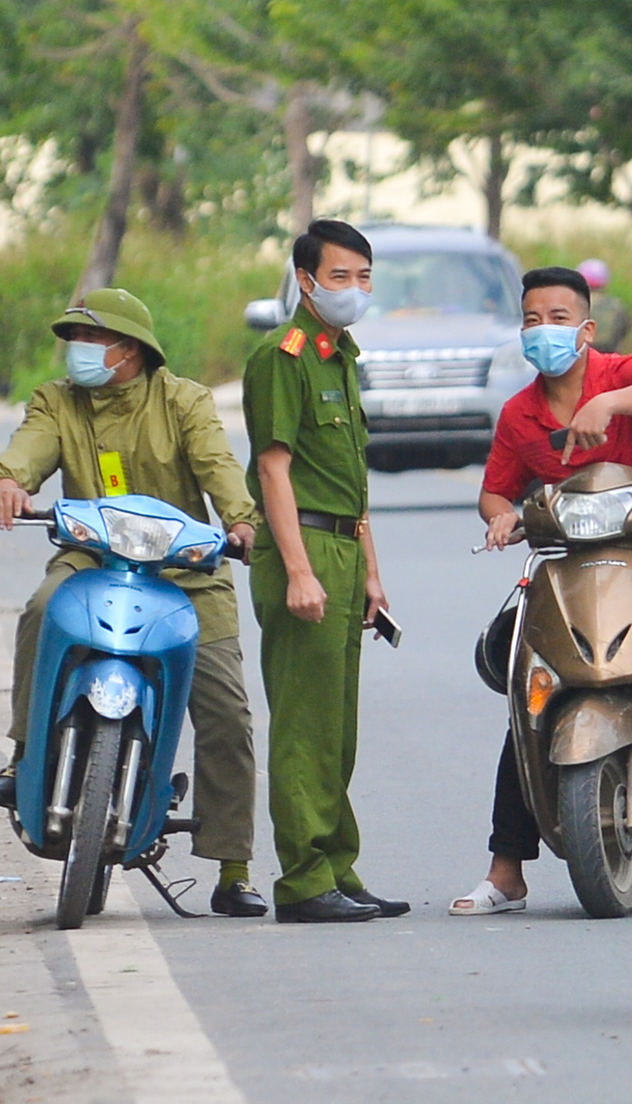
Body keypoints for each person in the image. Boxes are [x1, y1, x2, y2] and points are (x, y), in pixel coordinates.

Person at [0, 288, 269, 917]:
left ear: (131, 350)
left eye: (92, 340)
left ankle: (234, 865)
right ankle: (26, 755)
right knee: (40, 609)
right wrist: (9, 479)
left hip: (187, 569)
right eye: (74, 341)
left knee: (226, 711)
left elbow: (221, 468)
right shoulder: (58, 401)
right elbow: (29, 447)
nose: (79, 353)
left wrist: (241, 522)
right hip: (93, 560)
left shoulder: (184, 401)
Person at [450, 266, 632, 916]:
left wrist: (608, 404)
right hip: (565, 569)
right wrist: (500, 513)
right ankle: (506, 871)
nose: (543, 329)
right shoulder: (518, 413)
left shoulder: (624, 373)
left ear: (585, 329)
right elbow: (494, 489)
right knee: (530, 692)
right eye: (532, 318)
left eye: (558, 317)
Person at [242, 219, 406, 924]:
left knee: (338, 727)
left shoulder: (341, 357)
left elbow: (350, 480)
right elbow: (275, 471)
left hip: (341, 547)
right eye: (340, 276)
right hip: (300, 550)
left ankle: (338, 863)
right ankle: (305, 879)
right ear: (305, 280)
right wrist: (299, 573)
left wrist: (371, 573)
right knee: (305, 724)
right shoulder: (284, 358)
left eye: (364, 276)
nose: (354, 289)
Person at [578, 258, 632, 355]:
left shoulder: (577, 304)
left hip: (583, 356)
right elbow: (624, 330)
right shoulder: (616, 305)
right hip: (610, 357)